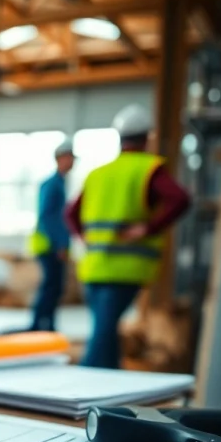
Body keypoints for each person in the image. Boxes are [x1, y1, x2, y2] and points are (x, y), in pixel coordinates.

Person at [66, 104, 191, 369]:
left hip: (93, 267)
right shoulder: (149, 169)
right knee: (104, 332)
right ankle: (83, 389)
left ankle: (104, 388)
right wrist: (148, 228)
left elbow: (71, 214)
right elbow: (180, 199)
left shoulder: (98, 174)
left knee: (104, 329)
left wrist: (83, 237)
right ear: (147, 138)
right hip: (125, 269)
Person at [26, 139, 75, 332]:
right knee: (50, 287)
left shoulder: (60, 183)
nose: (72, 162)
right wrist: (60, 243)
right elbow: (48, 216)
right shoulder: (52, 184)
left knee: (54, 288)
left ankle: (48, 326)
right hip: (49, 245)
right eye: (70, 158)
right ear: (60, 159)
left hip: (53, 244)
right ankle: (38, 326)